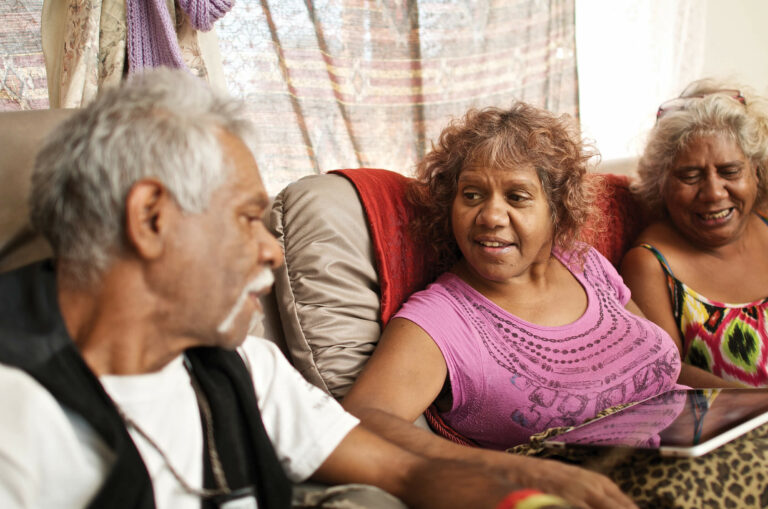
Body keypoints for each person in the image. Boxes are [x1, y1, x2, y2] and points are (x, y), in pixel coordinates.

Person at [0, 69, 579, 509]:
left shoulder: (238, 364)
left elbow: (405, 474)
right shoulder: (18, 412)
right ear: (152, 218)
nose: (273, 250)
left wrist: (527, 491)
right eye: (248, 217)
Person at [342, 104, 680, 457]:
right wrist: (513, 471)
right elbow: (359, 428)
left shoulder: (584, 262)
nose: (490, 216)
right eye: (471, 195)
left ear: (557, 209)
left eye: (516, 197)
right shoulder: (440, 321)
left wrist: (735, 405)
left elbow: (663, 363)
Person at [621, 80, 768, 388]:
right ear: (661, 183)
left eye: (730, 171)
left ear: (756, 171)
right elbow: (666, 373)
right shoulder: (651, 265)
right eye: (690, 176)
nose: (714, 193)